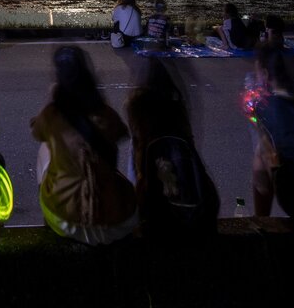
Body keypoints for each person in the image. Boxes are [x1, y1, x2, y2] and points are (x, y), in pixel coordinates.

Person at [30, 45, 137, 245]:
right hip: (116, 219)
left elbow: (37, 132)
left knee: (45, 150)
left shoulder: (52, 114)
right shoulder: (105, 113)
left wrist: (53, 97)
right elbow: (121, 133)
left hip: (67, 220)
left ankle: (48, 224)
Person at [125, 58, 218, 233]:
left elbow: (140, 175)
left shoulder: (138, 109)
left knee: (135, 150)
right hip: (198, 213)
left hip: (162, 217)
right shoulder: (177, 108)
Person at [246, 44, 294, 218]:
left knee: (261, 153)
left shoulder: (263, 108)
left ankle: (262, 223)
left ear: (265, 75)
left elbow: (262, 177)